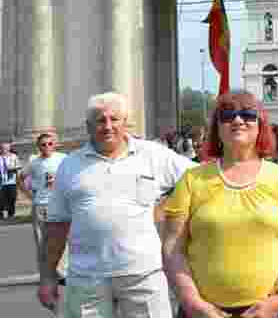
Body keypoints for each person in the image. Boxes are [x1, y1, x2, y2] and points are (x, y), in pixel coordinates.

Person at [39, 93, 196, 318]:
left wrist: (169, 209)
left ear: (126, 123)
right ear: (88, 126)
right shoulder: (69, 166)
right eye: (100, 120)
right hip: (86, 278)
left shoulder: (153, 154)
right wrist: (47, 277)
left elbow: (197, 179)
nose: (108, 126)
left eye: (115, 119)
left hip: (144, 274)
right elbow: (55, 227)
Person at [162, 90, 278, 318]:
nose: (238, 120)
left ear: (260, 125)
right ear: (217, 127)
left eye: (248, 115)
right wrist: (192, 302)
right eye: (227, 115)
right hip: (202, 312)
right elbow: (173, 249)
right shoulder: (192, 180)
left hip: (269, 311)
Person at [20, 132, 69, 292]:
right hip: (40, 205)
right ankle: (46, 276)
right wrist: (29, 195)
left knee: (62, 240)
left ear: (55, 145)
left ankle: (62, 273)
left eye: (49, 143)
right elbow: (20, 178)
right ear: (38, 147)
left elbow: (72, 176)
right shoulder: (34, 162)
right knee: (42, 242)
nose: (46, 147)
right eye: (43, 144)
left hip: (59, 205)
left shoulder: (63, 158)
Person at [0, 141, 21, 219]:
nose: (4, 149)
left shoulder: (14, 156)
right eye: (2, 148)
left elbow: (19, 166)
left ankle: (11, 214)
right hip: (1, 182)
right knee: (1, 199)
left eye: (6, 148)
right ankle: (1, 214)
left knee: (12, 198)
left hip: (11, 181)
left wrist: (13, 169)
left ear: (9, 148)